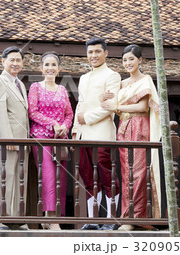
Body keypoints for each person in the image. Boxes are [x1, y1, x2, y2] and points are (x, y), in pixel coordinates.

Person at [101, 44, 161, 231]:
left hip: (139, 126)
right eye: (125, 60)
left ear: (140, 60)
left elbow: (142, 107)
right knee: (126, 172)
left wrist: (118, 108)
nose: (128, 63)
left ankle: (136, 217)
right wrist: (102, 99)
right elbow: (107, 104)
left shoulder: (145, 80)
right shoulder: (122, 83)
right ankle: (127, 216)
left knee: (139, 172)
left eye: (131, 59)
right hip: (124, 127)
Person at [71, 37, 121, 230]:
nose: (93, 55)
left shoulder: (112, 76)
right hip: (84, 135)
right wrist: (76, 129)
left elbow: (109, 107)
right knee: (88, 177)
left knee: (107, 175)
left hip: (102, 133)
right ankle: (92, 220)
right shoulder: (84, 78)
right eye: (90, 52)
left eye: (97, 51)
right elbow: (80, 106)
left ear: (105, 53)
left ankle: (110, 219)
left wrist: (87, 118)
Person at [28, 51, 73, 231]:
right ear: (41, 68)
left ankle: (50, 218)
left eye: (53, 65)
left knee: (60, 178)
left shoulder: (62, 90)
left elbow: (69, 113)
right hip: (41, 137)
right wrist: (53, 123)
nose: (50, 68)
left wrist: (64, 127)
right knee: (47, 176)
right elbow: (33, 112)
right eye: (46, 65)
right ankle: (52, 219)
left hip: (59, 139)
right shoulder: (36, 87)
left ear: (59, 69)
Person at [0, 46, 30, 230]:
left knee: (19, 179)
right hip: (10, 140)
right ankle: (1, 220)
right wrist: (8, 139)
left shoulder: (20, 84)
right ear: (3, 61)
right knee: (5, 178)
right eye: (11, 60)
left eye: (18, 60)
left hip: (24, 140)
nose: (15, 63)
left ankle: (16, 218)